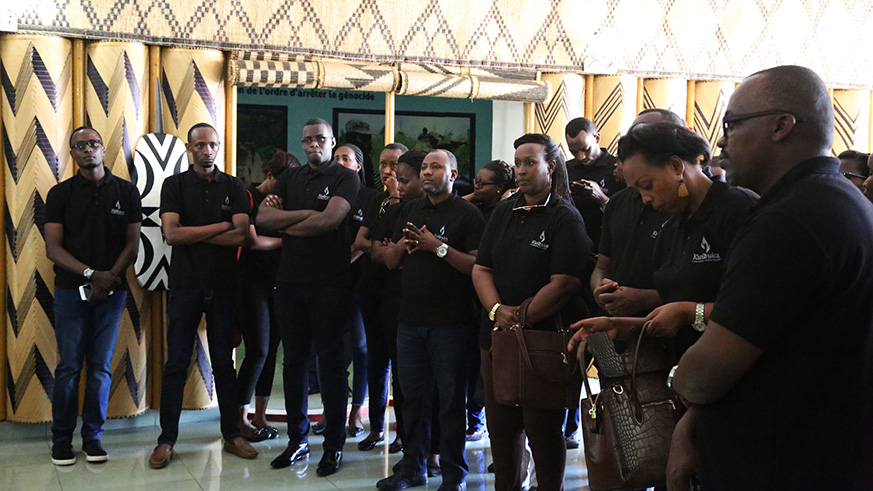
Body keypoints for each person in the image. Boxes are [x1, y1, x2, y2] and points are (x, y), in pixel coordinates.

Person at [669, 65, 873, 490]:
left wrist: (680, 380)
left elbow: (706, 373)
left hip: (785, 462)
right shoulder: (842, 200)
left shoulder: (791, 220)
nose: (722, 140)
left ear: (781, 125)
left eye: (732, 124)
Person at [473, 133, 592, 491]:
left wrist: (519, 317)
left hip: (542, 338)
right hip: (495, 334)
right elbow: (481, 268)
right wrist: (497, 310)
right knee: (501, 428)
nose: (521, 171)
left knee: (542, 431)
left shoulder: (564, 216)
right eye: (518, 163)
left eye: (530, 163)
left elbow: (566, 282)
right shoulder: (504, 211)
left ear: (550, 167)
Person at [376, 149, 485, 491]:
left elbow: (476, 266)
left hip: (450, 323)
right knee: (412, 399)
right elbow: (392, 261)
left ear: (453, 174)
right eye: (424, 167)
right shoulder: (409, 209)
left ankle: (454, 475)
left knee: (451, 403)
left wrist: (436, 247)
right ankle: (412, 469)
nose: (426, 173)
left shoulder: (468, 215)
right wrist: (403, 248)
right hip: (409, 320)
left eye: (435, 167)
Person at [258, 118, 360, 477]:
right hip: (289, 283)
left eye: (320, 138)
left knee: (330, 366)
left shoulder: (346, 178)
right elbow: (263, 219)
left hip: (330, 285)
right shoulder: (292, 178)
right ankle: (297, 440)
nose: (314, 144)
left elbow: (330, 221)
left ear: (332, 141)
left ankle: (333, 445)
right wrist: (303, 216)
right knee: (294, 363)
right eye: (307, 140)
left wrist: (286, 222)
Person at [150, 123, 256, 469]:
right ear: (189, 148)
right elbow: (171, 234)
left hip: (225, 286)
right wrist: (221, 226)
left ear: (218, 146)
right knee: (176, 363)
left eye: (212, 145)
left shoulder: (234, 185)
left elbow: (242, 236)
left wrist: (194, 233)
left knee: (224, 364)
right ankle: (166, 440)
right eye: (200, 145)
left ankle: (232, 434)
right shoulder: (174, 185)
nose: (207, 151)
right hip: (186, 286)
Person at [44, 126, 142, 465]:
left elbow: (133, 242)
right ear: (72, 154)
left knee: (100, 367)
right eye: (80, 145)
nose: (88, 149)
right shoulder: (60, 194)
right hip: (71, 292)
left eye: (93, 143)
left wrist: (110, 277)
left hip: (112, 292)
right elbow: (53, 249)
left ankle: (93, 438)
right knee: (69, 366)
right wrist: (91, 275)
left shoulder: (127, 192)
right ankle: (61, 441)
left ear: (103, 149)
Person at [590, 109, 684, 319]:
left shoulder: (688, 205)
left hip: (669, 331)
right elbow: (603, 266)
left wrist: (646, 298)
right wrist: (601, 290)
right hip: (617, 326)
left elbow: (704, 292)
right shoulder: (620, 201)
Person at [236, 150, 299, 442]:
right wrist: (286, 240)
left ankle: (260, 415)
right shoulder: (248, 197)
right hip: (251, 285)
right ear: (270, 176)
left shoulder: (285, 201)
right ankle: (239, 418)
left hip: (280, 283)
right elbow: (253, 242)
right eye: (282, 183)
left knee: (272, 352)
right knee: (257, 351)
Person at [370, 148, 429, 456]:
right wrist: (400, 252)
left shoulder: (453, 211)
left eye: (405, 179)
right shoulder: (396, 211)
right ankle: (407, 445)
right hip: (396, 303)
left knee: (435, 387)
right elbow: (379, 252)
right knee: (403, 381)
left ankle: (433, 453)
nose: (399, 184)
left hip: (437, 311)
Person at [357, 142, 409, 451]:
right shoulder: (372, 199)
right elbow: (363, 241)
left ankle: (402, 431)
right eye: (382, 165)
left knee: (402, 366)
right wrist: (385, 250)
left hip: (400, 293)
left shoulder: (411, 203)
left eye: (394, 165)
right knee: (376, 360)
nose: (387, 171)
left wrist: (385, 249)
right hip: (371, 287)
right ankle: (376, 427)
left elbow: (394, 250)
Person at [564, 117, 625, 251]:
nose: (581, 157)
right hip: (573, 244)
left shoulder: (617, 168)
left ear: (597, 138)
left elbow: (628, 216)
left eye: (586, 149)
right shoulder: (565, 169)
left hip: (608, 245)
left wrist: (600, 197)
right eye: (574, 152)